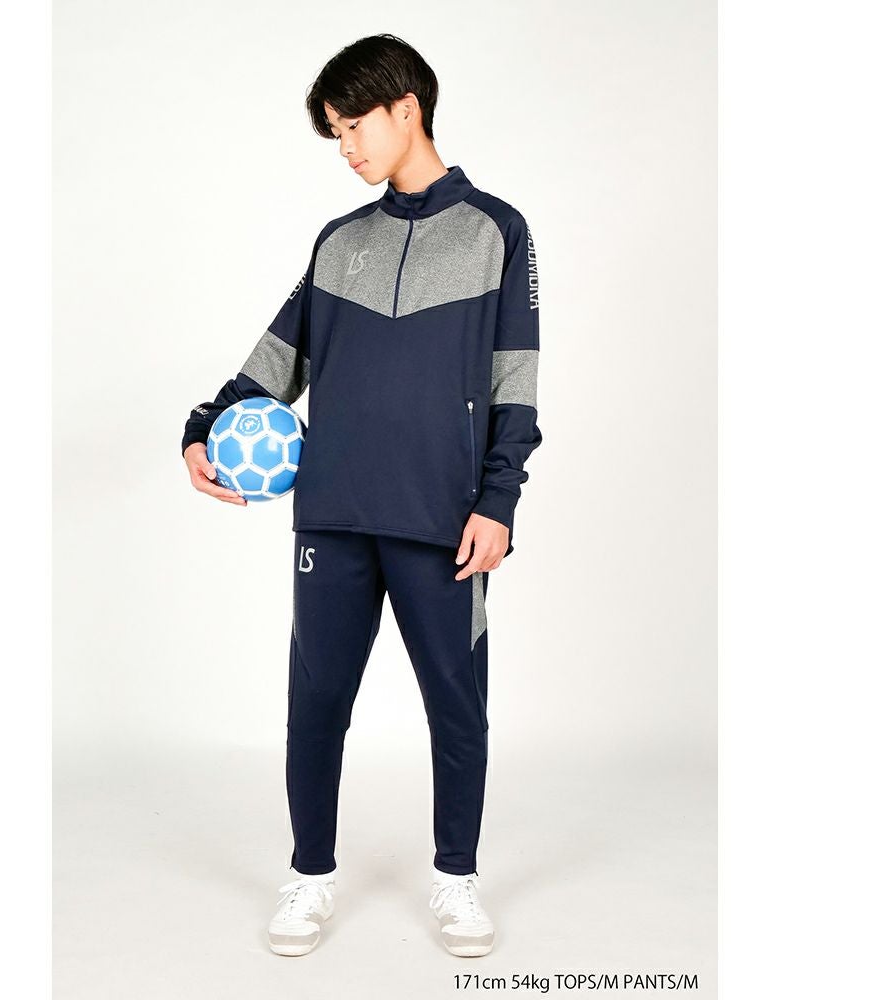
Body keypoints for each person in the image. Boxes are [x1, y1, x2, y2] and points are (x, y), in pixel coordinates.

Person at [180, 34, 541, 958]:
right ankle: (309, 878)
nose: (344, 148)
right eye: (334, 133)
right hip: (334, 517)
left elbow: (516, 382)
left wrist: (498, 501)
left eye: (353, 126)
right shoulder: (339, 242)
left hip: (442, 521)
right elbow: (274, 362)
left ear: (406, 108)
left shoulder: (497, 232)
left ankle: (456, 880)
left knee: (456, 705)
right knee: (316, 705)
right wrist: (202, 426)